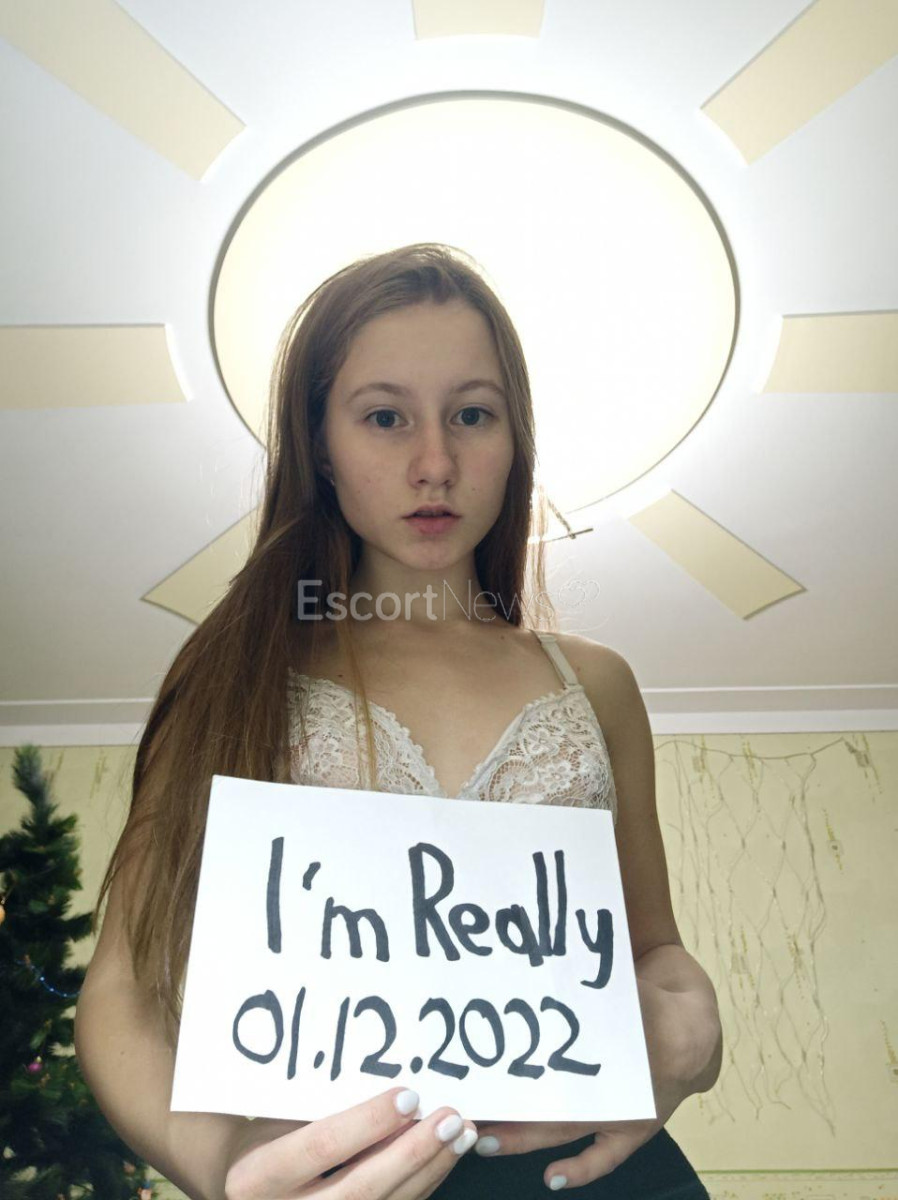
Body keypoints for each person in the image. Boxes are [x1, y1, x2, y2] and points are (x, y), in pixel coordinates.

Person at [75, 243, 722, 1199]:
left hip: (599, 1175)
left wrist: (688, 1019)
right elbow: (123, 990)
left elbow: (652, 948)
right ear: (320, 447)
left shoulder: (599, 684)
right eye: (385, 417)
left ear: (515, 440)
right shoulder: (235, 675)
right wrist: (223, 1168)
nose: (436, 463)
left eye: (472, 414)